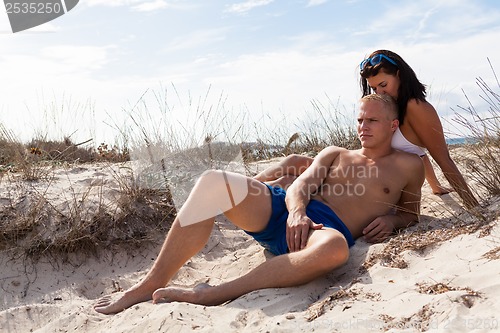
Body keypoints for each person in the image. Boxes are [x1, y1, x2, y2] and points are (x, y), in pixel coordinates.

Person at [94, 94, 424, 314]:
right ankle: (152, 282)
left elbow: (410, 213)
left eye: (372, 121)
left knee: (336, 249)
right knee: (212, 180)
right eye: (359, 120)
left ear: (392, 125)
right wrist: (296, 212)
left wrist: (393, 222)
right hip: (287, 211)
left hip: (324, 231)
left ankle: (214, 293)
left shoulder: (409, 166)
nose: (362, 127)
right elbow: (301, 185)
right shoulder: (336, 153)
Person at [256, 50, 479, 209]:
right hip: (363, 170)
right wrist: (435, 185)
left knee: (288, 179)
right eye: (374, 88)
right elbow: (419, 152)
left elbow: (441, 156)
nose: (379, 92)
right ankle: (235, 193)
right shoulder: (393, 107)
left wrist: (472, 204)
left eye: (383, 85)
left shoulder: (416, 107)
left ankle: (237, 197)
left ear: (399, 75)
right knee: (293, 162)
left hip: (375, 183)